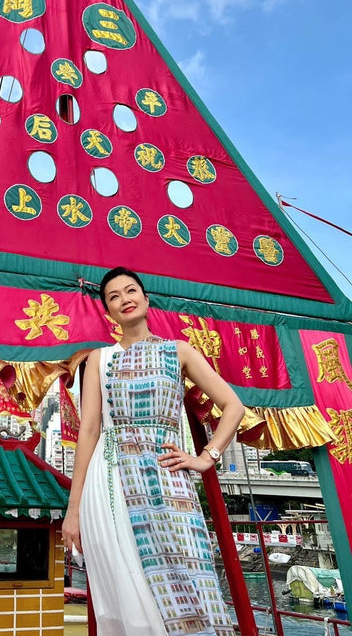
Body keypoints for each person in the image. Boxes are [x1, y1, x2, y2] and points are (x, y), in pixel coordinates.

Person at [62, 267, 245, 636]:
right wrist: (74, 509)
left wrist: (205, 459)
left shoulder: (178, 351)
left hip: (167, 475)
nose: (124, 299)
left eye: (131, 291)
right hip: (110, 479)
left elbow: (234, 407)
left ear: (145, 300)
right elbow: (90, 431)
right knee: (122, 580)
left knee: (190, 571)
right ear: (108, 311)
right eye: (114, 296)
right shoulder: (99, 359)